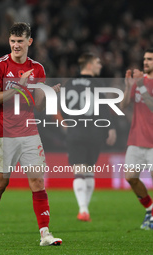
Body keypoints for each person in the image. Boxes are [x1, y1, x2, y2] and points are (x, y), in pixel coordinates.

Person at [0, 22, 62, 246]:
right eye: (12, 41)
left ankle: (45, 234)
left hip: (29, 132)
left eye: (20, 41)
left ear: (29, 42)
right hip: (4, 133)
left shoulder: (38, 68)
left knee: (37, 181)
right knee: (0, 184)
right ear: (9, 41)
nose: (16, 45)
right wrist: (18, 86)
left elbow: (38, 106)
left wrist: (47, 94)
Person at [62, 53, 117, 222]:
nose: (100, 66)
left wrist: (64, 122)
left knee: (78, 171)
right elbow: (105, 109)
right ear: (89, 65)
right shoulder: (98, 84)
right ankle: (85, 208)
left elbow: (60, 107)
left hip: (76, 131)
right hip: (94, 132)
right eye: (97, 63)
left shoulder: (69, 83)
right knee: (90, 170)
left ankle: (83, 209)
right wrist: (111, 128)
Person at [120, 48, 153, 230]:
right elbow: (123, 105)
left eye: (150, 59)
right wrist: (128, 86)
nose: (146, 62)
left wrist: (139, 86)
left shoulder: (144, 84)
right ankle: (150, 209)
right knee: (131, 178)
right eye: (145, 59)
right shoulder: (139, 82)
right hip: (136, 139)